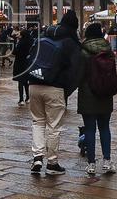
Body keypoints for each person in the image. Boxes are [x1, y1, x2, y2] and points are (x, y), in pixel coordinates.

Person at [27, 10, 83, 175]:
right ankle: (52, 163)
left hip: (34, 83)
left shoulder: (46, 33)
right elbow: (76, 72)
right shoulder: (71, 42)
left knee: (37, 122)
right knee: (53, 126)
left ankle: (37, 157)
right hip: (55, 88)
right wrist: (67, 90)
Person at [79, 22, 117, 175]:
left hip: (88, 94)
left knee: (89, 129)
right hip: (105, 93)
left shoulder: (83, 51)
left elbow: (79, 74)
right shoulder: (108, 50)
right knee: (105, 127)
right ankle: (107, 161)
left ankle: (91, 164)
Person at [12, 29, 34, 106]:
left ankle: (21, 99)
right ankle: (28, 97)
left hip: (20, 63)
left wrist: (14, 42)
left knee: (20, 81)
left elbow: (15, 52)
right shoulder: (31, 41)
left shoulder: (21, 43)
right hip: (27, 63)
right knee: (25, 81)